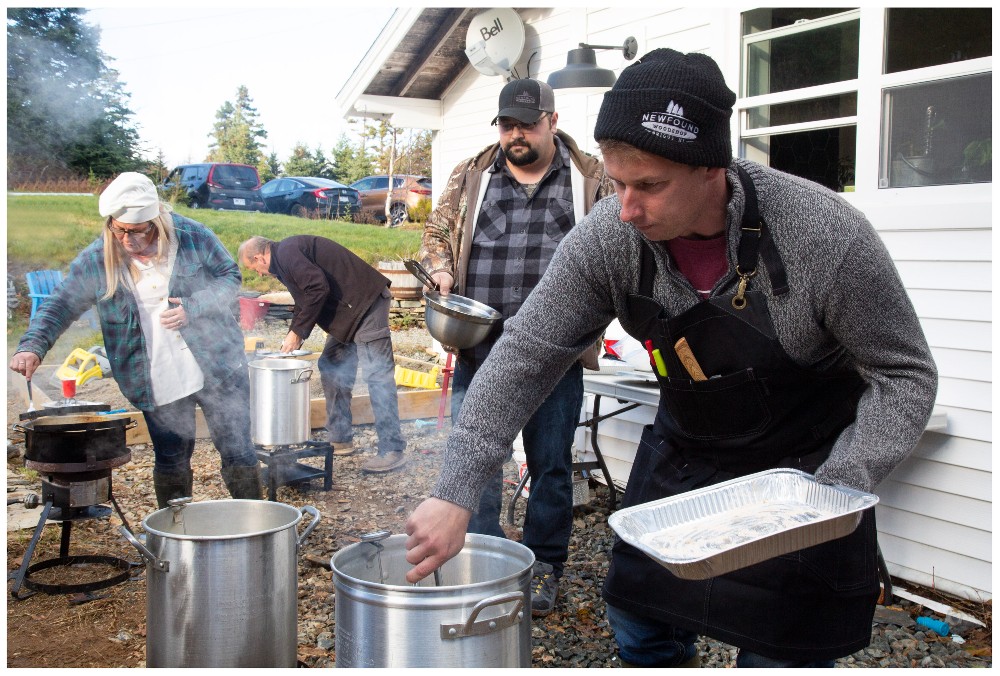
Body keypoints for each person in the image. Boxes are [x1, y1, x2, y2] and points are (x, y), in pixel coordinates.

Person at [403, 49, 937, 667]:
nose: (626, 208)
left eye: (649, 186)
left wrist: (838, 488)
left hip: (805, 474)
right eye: (618, 180)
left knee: (782, 645)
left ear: (711, 169)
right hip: (688, 450)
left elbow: (905, 376)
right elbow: (525, 352)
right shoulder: (613, 234)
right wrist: (457, 488)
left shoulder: (825, 236)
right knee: (636, 613)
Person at [417, 77, 613, 616]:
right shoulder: (473, 173)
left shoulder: (590, 178)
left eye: (527, 124)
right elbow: (436, 235)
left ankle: (544, 566)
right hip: (481, 345)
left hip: (557, 354)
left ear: (552, 120)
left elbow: (622, 243)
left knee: (551, 465)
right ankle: (479, 555)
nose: (515, 135)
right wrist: (439, 271)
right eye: (507, 125)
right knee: (475, 457)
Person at [10, 172, 263, 507]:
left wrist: (195, 306)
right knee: (171, 457)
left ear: (155, 221)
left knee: (238, 449)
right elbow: (61, 303)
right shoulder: (98, 258)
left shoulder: (191, 236)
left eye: (136, 231)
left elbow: (229, 276)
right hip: (155, 377)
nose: (127, 239)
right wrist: (33, 345)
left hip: (218, 366)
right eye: (119, 229)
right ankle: (176, 539)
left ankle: (254, 522)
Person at [238, 235, 407, 474]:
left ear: (258, 257)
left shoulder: (287, 252)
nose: (259, 274)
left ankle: (392, 449)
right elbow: (305, 299)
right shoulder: (285, 261)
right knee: (331, 364)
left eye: (254, 268)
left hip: (367, 305)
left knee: (377, 375)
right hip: (350, 314)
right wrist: (293, 333)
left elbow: (317, 287)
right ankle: (340, 437)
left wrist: (298, 332)